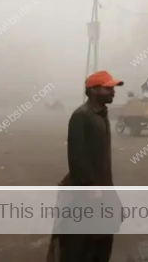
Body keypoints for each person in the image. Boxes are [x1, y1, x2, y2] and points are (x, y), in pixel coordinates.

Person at [47, 71, 123, 262]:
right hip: (85, 191)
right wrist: (90, 186)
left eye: (113, 88)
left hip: (103, 186)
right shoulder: (81, 116)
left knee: (104, 236)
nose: (113, 92)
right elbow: (76, 156)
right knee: (80, 243)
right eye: (108, 88)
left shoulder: (101, 115)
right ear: (93, 90)